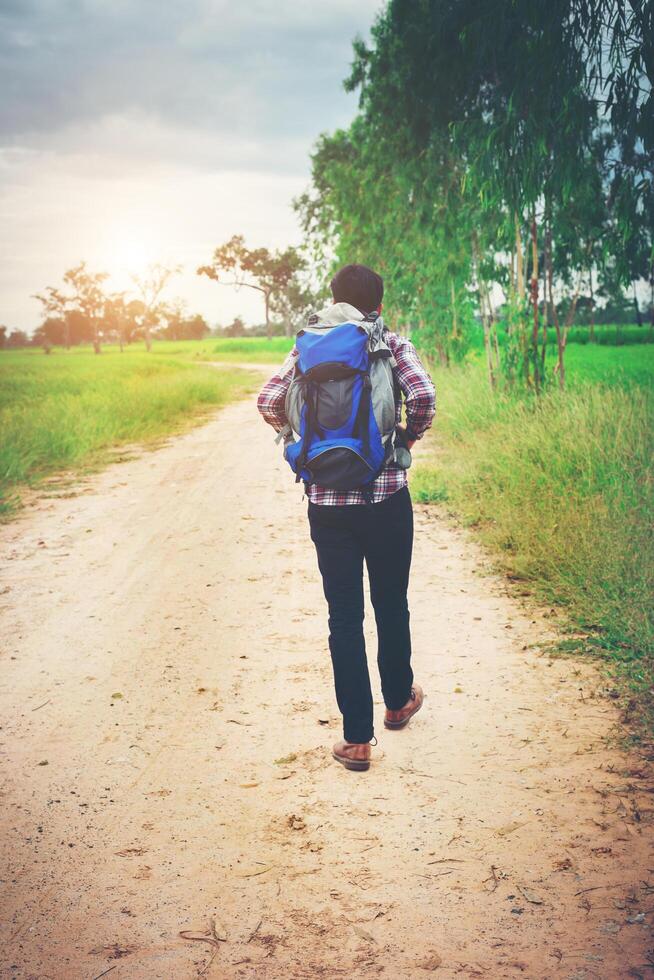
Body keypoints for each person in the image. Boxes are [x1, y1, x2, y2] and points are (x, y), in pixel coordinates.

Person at [257, 263, 436, 772]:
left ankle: (356, 740)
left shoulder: (307, 348)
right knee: (390, 601)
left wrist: (307, 446)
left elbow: (268, 400)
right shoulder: (390, 344)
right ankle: (398, 702)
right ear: (378, 304)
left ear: (333, 299)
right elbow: (422, 396)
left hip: (328, 506)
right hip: (385, 500)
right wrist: (404, 437)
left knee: (344, 617)